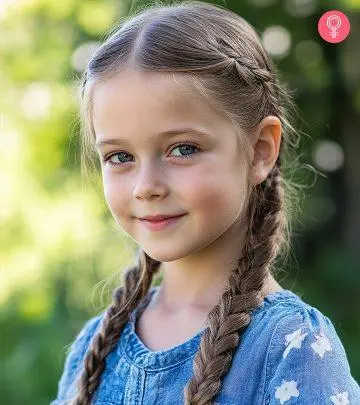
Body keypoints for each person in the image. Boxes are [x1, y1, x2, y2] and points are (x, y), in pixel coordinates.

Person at [50, 1, 360, 404]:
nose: (146, 186)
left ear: (260, 150)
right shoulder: (93, 348)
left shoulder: (293, 349)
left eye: (183, 149)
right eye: (120, 157)